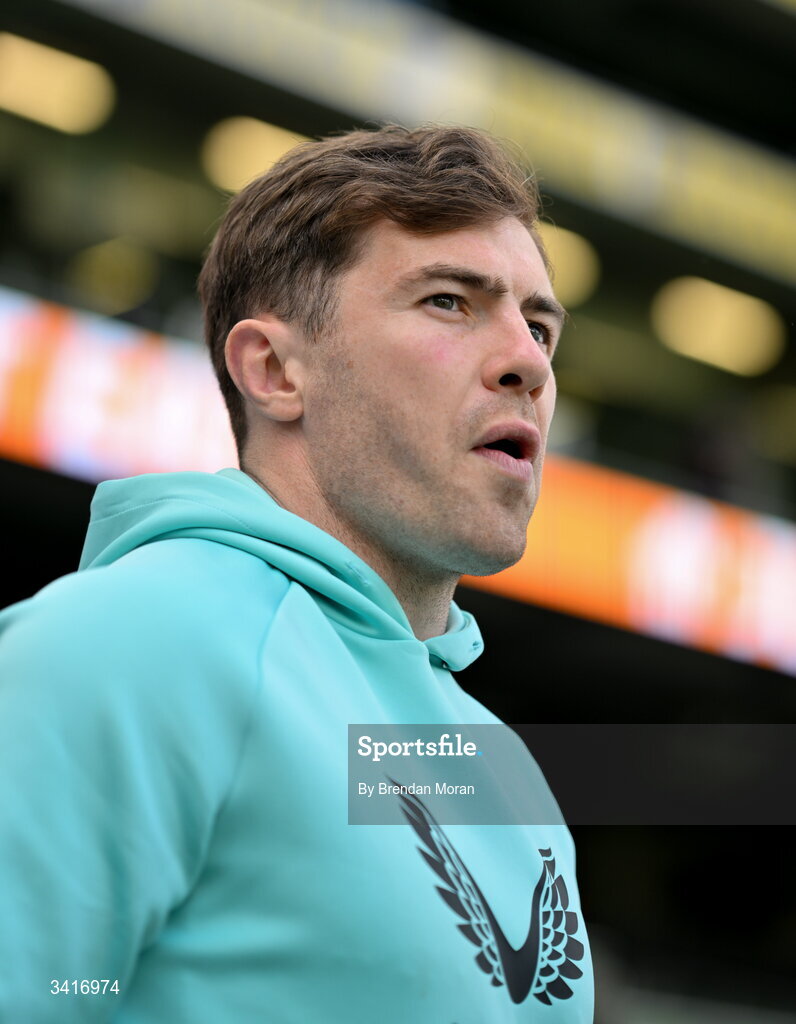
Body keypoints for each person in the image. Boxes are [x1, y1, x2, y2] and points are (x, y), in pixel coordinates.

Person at [0, 124, 593, 1022]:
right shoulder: (128, 645)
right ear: (274, 370)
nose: (528, 363)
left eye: (540, 325)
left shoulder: (502, 768)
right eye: (448, 301)